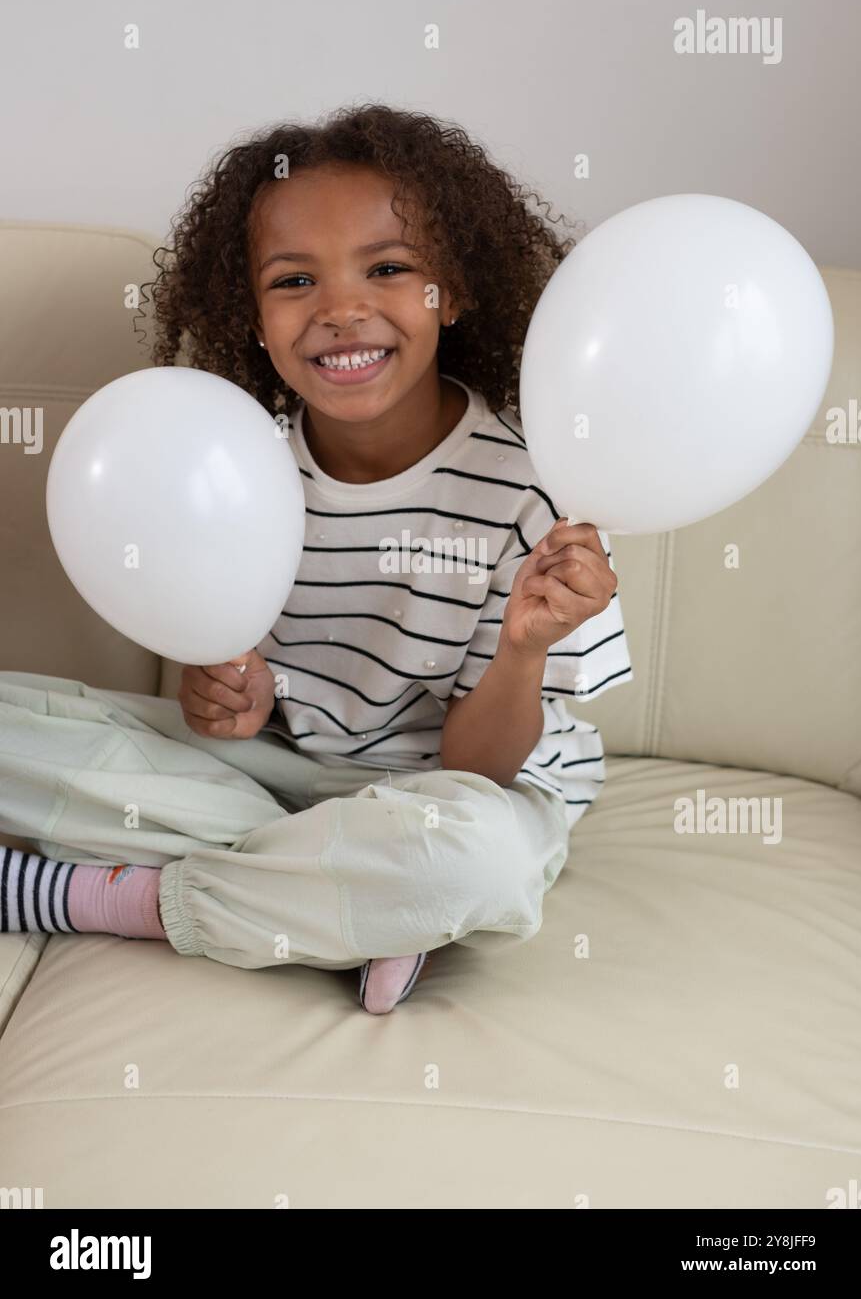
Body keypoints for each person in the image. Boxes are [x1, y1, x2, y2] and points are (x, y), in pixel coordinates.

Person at [0, 103, 633, 1013]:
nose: (341, 310)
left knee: (476, 863)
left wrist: (525, 648)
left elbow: (479, 773)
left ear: (450, 293)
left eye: (388, 268)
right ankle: (349, 903)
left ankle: (122, 897)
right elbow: (236, 699)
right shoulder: (232, 465)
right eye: (294, 281)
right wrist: (226, 700)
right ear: (251, 317)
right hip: (290, 782)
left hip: (464, 795)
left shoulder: (539, 488)